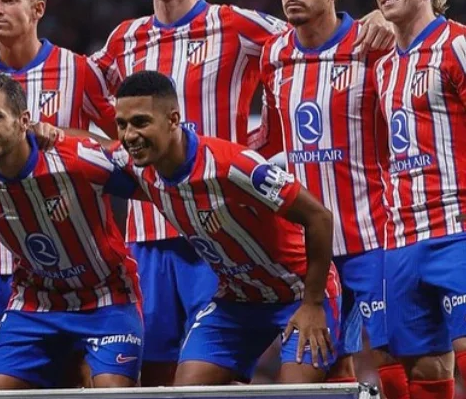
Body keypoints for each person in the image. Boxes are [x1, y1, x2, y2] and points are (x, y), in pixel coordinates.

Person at [0, 0, 393, 386]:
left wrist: (374, 20)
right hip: (149, 229)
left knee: (260, 366)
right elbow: (62, 76)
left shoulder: (236, 24)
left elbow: (315, 35)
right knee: (156, 371)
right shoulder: (125, 39)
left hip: (224, 228)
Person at [113, 70, 340, 385]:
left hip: (299, 292)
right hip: (238, 299)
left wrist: (313, 303)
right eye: (122, 124)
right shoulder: (139, 168)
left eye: (140, 122)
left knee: (295, 392)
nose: (129, 136)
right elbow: (86, 148)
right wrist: (50, 134)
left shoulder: (234, 166)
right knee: (187, 392)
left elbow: (319, 217)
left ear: (173, 119)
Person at [254, 0, 403, 394]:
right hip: (311, 251)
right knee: (314, 370)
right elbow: (272, 142)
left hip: (373, 237)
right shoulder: (273, 55)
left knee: (392, 361)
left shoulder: (373, 43)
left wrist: (388, 19)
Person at [0, 0, 117, 362]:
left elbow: (121, 143)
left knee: (73, 373)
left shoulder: (78, 69)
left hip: (71, 261)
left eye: (9, 0)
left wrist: (63, 136)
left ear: (37, 9)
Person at [0, 73, 142, 389]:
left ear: (24, 121)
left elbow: (144, 173)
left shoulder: (76, 159)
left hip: (106, 296)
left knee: (112, 392)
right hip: (36, 300)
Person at [372, 0, 466, 399]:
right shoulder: (383, 68)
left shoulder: (457, 45)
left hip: (458, 229)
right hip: (403, 239)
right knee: (425, 368)